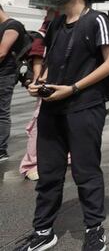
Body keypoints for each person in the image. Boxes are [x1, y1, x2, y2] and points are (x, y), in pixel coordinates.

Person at [15, 0, 109, 251]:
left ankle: (94, 228)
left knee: (86, 171)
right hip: (52, 106)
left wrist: (74, 88)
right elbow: (50, 61)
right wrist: (40, 83)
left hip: (84, 106)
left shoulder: (97, 20)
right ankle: (43, 230)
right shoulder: (56, 23)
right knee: (48, 172)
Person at [19, 17, 50, 181]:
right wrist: (39, 80)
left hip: (64, 84)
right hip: (48, 84)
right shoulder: (46, 31)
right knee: (38, 123)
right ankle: (30, 165)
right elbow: (38, 55)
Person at [0, 3, 26, 163]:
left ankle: (1, 151)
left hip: (5, 75)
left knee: (1, 112)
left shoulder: (13, 25)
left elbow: (2, 52)